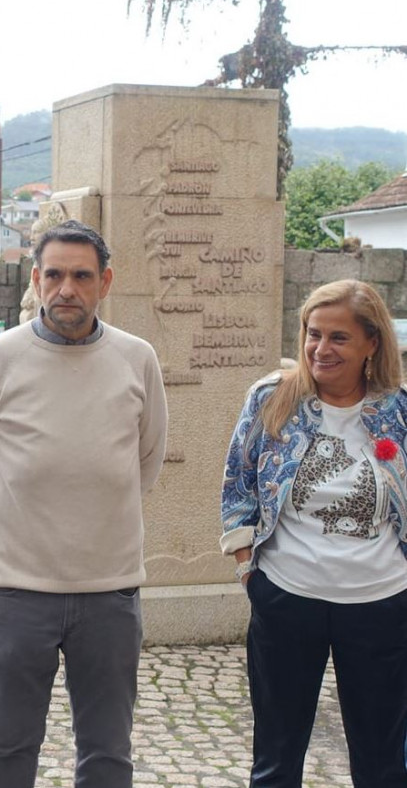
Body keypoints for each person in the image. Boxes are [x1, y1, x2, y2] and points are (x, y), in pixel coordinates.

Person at [0, 219, 167, 787]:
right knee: (7, 744)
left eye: (81, 275)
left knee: (107, 750)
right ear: (36, 279)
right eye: (54, 275)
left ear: (106, 282)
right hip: (17, 591)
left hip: (109, 594)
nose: (66, 288)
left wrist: (94, 521)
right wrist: (21, 529)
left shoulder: (137, 359)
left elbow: (144, 462)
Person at [220, 279, 407, 787]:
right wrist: (247, 571)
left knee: (383, 761)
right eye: (312, 334)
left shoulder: (399, 410)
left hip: (381, 604)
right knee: (277, 761)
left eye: (339, 338)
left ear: (372, 342)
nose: (321, 349)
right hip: (287, 598)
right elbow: (238, 486)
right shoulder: (271, 398)